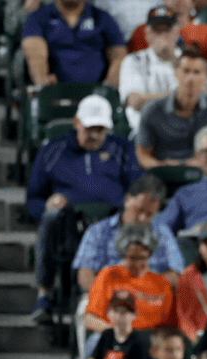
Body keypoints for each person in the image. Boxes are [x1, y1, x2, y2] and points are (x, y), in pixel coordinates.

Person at [26, 93, 142, 319]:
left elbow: (138, 185)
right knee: (49, 218)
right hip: (68, 223)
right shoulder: (53, 150)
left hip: (112, 222)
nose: (95, 135)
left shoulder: (122, 148)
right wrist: (47, 205)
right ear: (76, 123)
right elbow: (33, 199)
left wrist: (131, 200)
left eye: (101, 129)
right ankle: (44, 293)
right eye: (90, 128)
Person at [72, 177, 178, 291]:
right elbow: (84, 275)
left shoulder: (163, 232)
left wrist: (140, 288)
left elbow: (175, 274)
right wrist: (107, 294)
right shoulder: (97, 231)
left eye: (149, 214)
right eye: (139, 210)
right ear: (128, 200)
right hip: (106, 293)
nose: (142, 218)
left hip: (148, 295)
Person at [135, 51, 207, 169]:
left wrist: (204, 163)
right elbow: (143, 153)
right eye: (186, 71)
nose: (191, 78)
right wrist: (162, 168)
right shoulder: (152, 110)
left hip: (204, 173)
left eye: (197, 72)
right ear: (176, 73)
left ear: (205, 77)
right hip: (162, 174)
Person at [81, 225, 177, 341]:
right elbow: (90, 319)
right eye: (132, 258)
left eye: (142, 258)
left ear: (149, 256)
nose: (137, 264)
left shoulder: (161, 284)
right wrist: (115, 334)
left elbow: (169, 326)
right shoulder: (108, 275)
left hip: (149, 342)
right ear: (123, 255)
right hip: (115, 336)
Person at [21, 0, 126, 89]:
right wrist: (42, 78)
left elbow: (119, 55)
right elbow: (35, 53)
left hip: (97, 93)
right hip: (54, 91)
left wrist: (110, 85)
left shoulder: (103, 18)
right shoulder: (37, 18)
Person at [117, 8, 181, 131]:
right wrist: (181, 98)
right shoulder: (133, 61)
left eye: (167, 30)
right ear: (147, 33)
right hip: (145, 134)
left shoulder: (188, 60)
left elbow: (204, 95)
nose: (163, 36)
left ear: (177, 31)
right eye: (157, 30)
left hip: (183, 133)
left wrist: (173, 60)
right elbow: (136, 102)